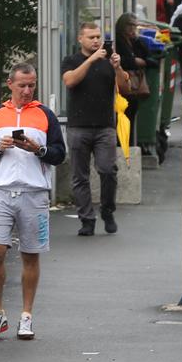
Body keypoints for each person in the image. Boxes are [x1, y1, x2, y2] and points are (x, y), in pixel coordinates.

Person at [0, 64, 66, 341]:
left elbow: (59, 154)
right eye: (22, 85)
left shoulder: (45, 114)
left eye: (32, 85)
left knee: (30, 254)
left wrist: (38, 149)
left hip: (34, 193)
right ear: (9, 84)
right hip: (0, 190)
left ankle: (26, 315)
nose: (27, 91)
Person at [61, 23, 128, 236]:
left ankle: (107, 211)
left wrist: (117, 67)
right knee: (80, 176)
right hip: (78, 126)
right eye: (91, 37)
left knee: (108, 170)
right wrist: (91, 60)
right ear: (80, 39)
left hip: (104, 127)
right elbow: (70, 81)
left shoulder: (109, 61)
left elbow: (126, 88)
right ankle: (87, 219)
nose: (96, 41)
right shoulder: (71, 60)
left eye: (98, 36)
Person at [112, 14, 156, 150]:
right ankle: (123, 146)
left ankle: (128, 146)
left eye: (134, 26)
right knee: (122, 118)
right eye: (129, 25)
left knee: (130, 117)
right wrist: (134, 61)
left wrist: (137, 40)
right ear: (122, 26)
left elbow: (149, 58)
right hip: (121, 85)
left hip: (133, 88)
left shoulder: (134, 41)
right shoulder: (118, 41)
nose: (132, 29)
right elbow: (118, 60)